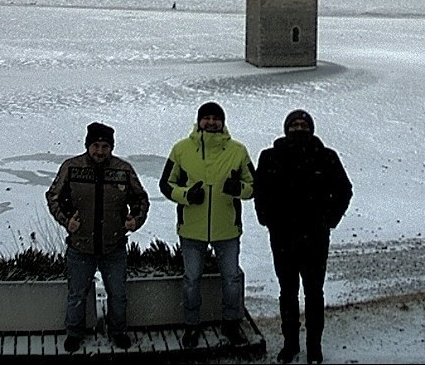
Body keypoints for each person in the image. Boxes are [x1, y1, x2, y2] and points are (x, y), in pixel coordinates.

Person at [254, 109, 353, 365]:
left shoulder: (326, 157)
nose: (299, 129)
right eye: (294, 125)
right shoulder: (270, 157)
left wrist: (330, 219)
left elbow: (344, 190)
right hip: (282, 236)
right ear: (286, 128)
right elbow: (260, 190)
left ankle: (314, 346)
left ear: (311, 128)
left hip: (315, 237)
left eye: (303, 124)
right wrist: (266, 218)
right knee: (287, 292)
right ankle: (290, 344)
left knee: (314, 293)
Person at [46, 122, 150, 353]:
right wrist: (66, 221)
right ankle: (74, 333)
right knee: (77, 295)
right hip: (80, 247)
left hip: (114, 247)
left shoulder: (123, 170)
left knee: (118, 294)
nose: (100, 151)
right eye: (95, 145)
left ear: (111, 147)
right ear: (88, 145)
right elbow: (53, 196)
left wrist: (135, 220)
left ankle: (118, 332)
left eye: (105, 146)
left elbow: (141, 199)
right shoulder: (71, 168)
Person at [159, 101, 255, 349]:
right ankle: (192, 325)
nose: (211, 122)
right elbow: (165, 185)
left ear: (223, 122)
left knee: (231, 279)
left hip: (227, 229)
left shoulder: (238, 150)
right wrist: (187, 196)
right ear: (198, 120)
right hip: (192, 229)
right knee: (191, 279)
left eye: (216, 118)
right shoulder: (181, 149)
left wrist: (239, 189)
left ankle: (231, 323)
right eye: (206, 118)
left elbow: (255, 187)